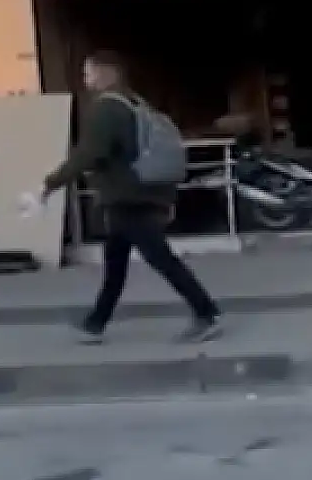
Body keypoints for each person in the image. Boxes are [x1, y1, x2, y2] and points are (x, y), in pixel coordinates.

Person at [34, 52, 223, 345]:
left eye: (89, 73)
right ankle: (95, 323)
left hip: (127, 198)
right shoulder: (134, 102)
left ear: (107, 73)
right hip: (137, 193)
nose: (85, 79)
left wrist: (52, 182)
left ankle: (206, 312)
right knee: (116, 262)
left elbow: (89, 153)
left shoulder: (107, 109)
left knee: (160, 258)